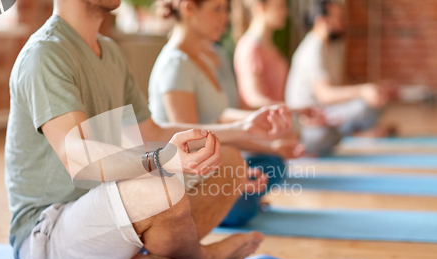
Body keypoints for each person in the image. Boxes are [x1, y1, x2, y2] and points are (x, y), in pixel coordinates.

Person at [5, 0, 293, 259]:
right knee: (157, 186)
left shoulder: (111, 52)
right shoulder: (45, 53)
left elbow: (151, 131)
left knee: (228, 160)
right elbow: (77, 156)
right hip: (49, 236)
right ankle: (201, 258)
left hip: (108, 217)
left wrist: (241, 129)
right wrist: (162, 160)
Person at [149, 0, 302, 227]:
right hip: (186, 178)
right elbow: (192, 148)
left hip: (218, 160)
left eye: (226, 9)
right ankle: (225, 202)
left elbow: (220, 117)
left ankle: (235, 197)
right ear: (189, 9)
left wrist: (270, 146)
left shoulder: (208, 57)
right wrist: (234, 176)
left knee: (273, 164)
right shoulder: (175, 65)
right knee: (244, 206)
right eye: (217, 9)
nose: (225, 17)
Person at [232, 0, 341, 156]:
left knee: (331, 132)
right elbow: (253, 100)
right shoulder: (250, 47)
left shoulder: (270, 46)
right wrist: (297, 110)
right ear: (261, 7)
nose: (285, 12)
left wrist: (300, 117)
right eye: (280, 6)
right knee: (324, 135)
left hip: (280, 122)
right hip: (262, 128)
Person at [285, 0, 393, 151]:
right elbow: (325, 95)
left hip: (328, 111)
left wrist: (373, 88)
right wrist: (362, 91)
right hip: (309, 121)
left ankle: (357, 133)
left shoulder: (332, 47)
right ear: (321, 21)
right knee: (361, 107)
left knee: (376, 99)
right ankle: (358, 134)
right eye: (338, 18)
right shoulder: (312, 51)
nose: (343, 23)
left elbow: (341, 85)